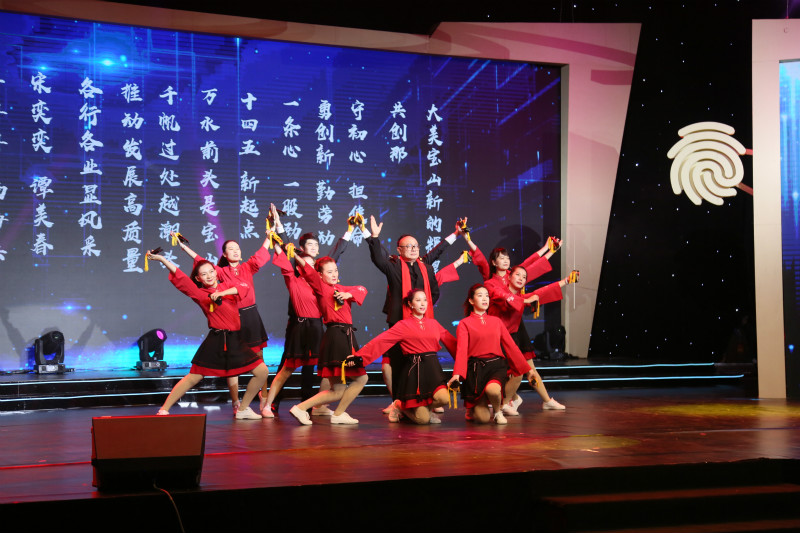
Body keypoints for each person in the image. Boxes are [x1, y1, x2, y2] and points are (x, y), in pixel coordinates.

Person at [146, 251, 268, 419]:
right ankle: (164, 409)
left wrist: (221, 294)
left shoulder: (227, 286)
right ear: (198, 278)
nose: (209, 276)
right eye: (204, 274)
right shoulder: (199, 293)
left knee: (262, 372)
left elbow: (244, 287)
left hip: (235, 339)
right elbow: (180, 276)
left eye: (211, 271)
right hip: (217, 340)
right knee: (193, 377)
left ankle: (243, 409)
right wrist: (161, 259)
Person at [266, 205, 360, 417]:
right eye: (309, 244)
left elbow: (337, 251)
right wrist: (277, 224)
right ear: (301, 248)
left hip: (316, 324)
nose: (314, 247)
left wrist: (350, 230)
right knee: (287, 365)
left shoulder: (321, 272)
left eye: (316, 245)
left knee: (313, 367)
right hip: (297, 322)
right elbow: (285, 246)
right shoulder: (295, 268)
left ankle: (308, 406)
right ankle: (272, 403)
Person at [366, 215, 466, 413]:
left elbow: (437, 257)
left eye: (415, 246)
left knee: (426, 361)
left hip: (423, 322)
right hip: (399, 322)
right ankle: (398, 402)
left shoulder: (425, 267)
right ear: (399, 250)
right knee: (398, 364)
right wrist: (374, 237)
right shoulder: (393, 266)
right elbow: (377, 259)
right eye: (408, 246)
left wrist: (456, 234)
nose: (413, 249)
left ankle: (427, 398)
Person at [175, 231, 271, 415]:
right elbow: (201, 261)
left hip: (251, 315)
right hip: (232, 317)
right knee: (232, 363)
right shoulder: (220, 271)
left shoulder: (248, 267)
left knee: (260, 357)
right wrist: (184, 248)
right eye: (230, 249)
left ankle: (264, 399)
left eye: (237, 248)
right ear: (224, 255)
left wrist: (269, 235)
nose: (235, 251)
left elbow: (261, 252)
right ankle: (236, 402)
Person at [353, 289, 457, 424]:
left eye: (425, 300)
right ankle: (399, 406)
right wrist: (359, 357)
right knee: (422, 420)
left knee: (444, 399)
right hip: (415, 373)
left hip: (433, 371)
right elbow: (381, 341)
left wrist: (468, 356)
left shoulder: (433, 323)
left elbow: (451, 342)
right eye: (418, 300)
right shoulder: (403, 325)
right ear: (410, 304)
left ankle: (425, 410)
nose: (422, 303)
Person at [287, 253, 368, 425]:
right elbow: (309, 272)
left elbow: (362, 288)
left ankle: (301, 408)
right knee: (361, 378)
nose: (334, 274)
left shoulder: (340, 288)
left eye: (335, 270)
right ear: (320, 275)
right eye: (329, 272)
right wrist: (296, 256)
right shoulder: (321, 288)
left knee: (337, 390)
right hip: (337, 337)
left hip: (343, 336)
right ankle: (337, 414)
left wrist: (348, 294)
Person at [487, 265, 578, 414]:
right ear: (509, 277)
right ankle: (509, 401)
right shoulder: (498, 292)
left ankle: (512, 403)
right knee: (507, 374)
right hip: (494, 341)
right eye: (518, 275)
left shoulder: (523, 297)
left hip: (513, 340)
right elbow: (506, 297)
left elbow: (543, 292)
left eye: (524, 277)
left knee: (525, 372)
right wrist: (526, 300)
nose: (521, 279)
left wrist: (566, 281)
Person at [447, 284, 536, 425]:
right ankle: (473, 408)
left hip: (495, 366)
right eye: (480, 295)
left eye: (487, 296)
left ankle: (498, 411)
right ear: (471, 301)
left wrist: (529, 370)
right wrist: (457, 374)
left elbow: (511, 347)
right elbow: (462, 351)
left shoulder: (496, 321)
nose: (485, 299)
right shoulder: (464, 323)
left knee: (493, 390)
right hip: (476, 370)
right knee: (482, 419)